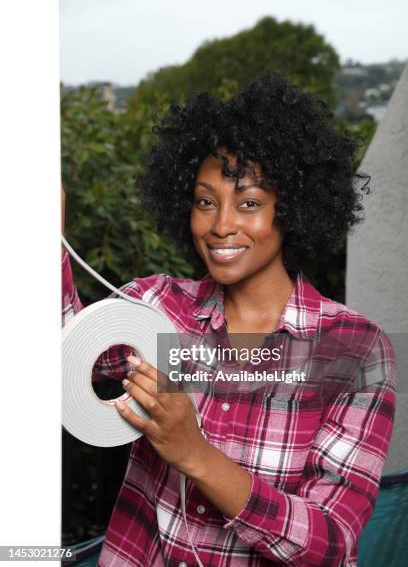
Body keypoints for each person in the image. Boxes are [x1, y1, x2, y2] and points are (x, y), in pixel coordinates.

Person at [62, 72, 396, 566]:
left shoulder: (354, 352)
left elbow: (331, 543)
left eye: (249, 204)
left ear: (294, 209)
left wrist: (194, 453)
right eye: (204, 201)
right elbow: (60, 360)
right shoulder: (157, 305)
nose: (220, 226)